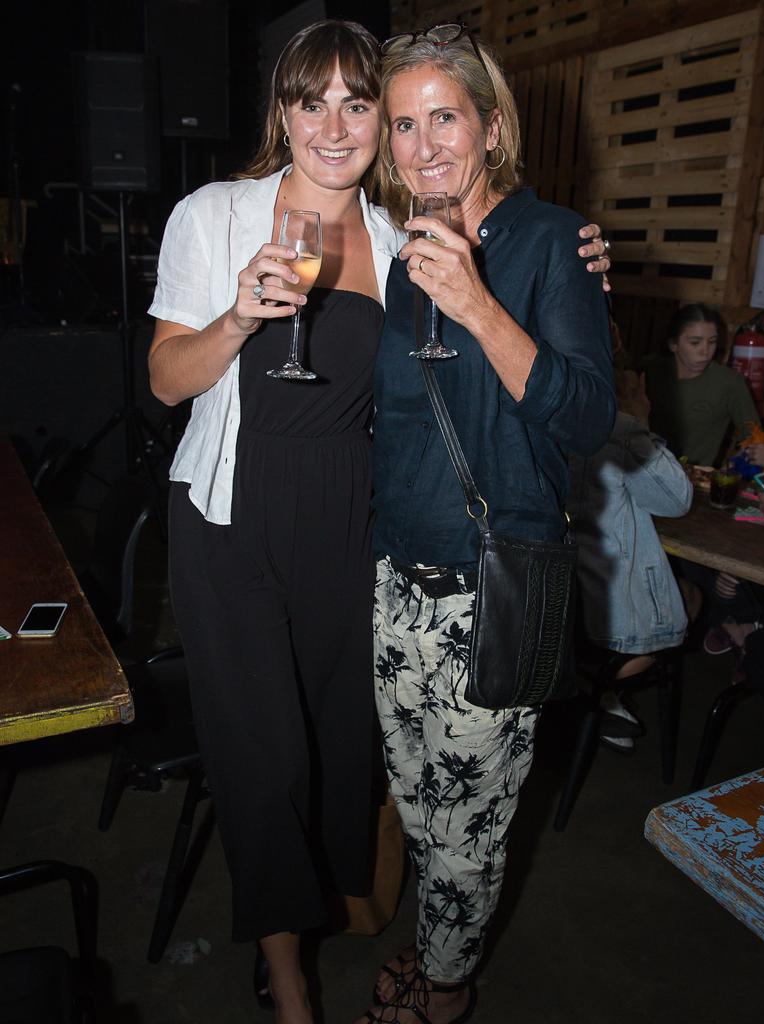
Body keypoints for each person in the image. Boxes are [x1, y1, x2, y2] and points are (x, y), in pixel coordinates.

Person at [147, 20, 610, 1022]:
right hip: (254, 525)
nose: (342, 125)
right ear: (282, 113)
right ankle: (290, 978)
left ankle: (406, 952)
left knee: (347, 755)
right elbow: (165, 378)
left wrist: (557, 270)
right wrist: (236, 319)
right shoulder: (217, 214)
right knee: (267, 755)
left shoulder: (407, 239)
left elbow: (546, 383)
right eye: (316, 101)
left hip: (366, 539)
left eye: (365, 105)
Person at [359, 25, 615, 1024]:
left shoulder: (553, 242)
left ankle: (448, 991)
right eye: (404, 124)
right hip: (397, 582)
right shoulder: (399, 264)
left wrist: (476, 302)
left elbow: (588, 417)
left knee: (470, 830)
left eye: (445, 117)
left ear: (492, 125)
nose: (424, 144)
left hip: (490, 586)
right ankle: (432, 952)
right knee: (423, 811)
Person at [568, 332, 693, 752]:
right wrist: (641, 418)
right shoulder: (620, 429)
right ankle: (599, 695)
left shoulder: (540, 410)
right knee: (691, 597)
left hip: (558, 606)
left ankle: (595, 695)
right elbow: (678, 499)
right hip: (611, 616)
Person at [643, 303, 758, 467]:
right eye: (695, 342)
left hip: (694, 479)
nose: (705, 351)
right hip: (641, 472)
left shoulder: (729, 383)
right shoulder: (647, 372)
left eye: (712, 342)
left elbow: (756, 441)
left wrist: (735, 467)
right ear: (673, 344)